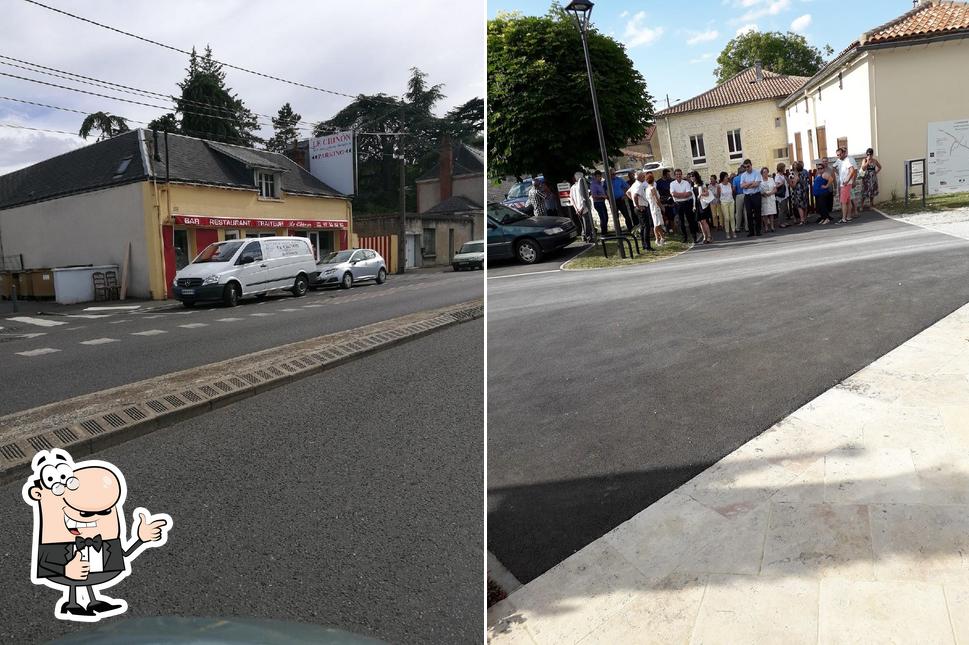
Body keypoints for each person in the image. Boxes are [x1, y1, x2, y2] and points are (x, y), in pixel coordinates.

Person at [670, 169, 698, 244]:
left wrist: (679, 194)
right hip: (678, 204)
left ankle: (694, 236)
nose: (678, 176)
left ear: (681, 175)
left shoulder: (686, 183)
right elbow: (673, 194)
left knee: (690, 220)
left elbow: (689, 194)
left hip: (687, 203)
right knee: (681, 222)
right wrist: (683, 194)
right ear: (675, 175)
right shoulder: (672, 184)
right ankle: (685, 237)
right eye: (677, 174)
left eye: (679, 174)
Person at [569, 172, 595, 242]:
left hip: (577, 208)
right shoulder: (581, 185)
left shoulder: (572, 187)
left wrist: (576, 209)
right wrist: (581, 208)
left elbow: (572, 199)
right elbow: (584, 197)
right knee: (587, 223)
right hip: (583, 208)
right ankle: (588, 237)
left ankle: (584, 236)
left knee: (582, 224)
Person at [739, 159, 762, 237]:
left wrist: (747, 185)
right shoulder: (743, 175)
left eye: (748, 166)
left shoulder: (757, 173)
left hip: (756, 195)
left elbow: (757, 184)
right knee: (748, 214)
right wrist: (751, 182)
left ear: (751, 165)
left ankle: (758, 230)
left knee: (757, 213)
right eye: (745, 167)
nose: (747, 168)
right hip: (748, 196)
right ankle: (751, 231)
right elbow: (742, 186)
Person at [834, 147, 857, 223]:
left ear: (844, 153)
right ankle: (848, 217)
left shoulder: (847, 160)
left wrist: (847, 180)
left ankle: (844, 218)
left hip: (845, 184)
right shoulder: (841, 161)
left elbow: (852, 170)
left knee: (843, 202)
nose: (839, 156)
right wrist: (840, 174)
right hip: (844, 184)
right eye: (837, 155)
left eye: (840, 154)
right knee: (848, 201)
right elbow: (834, 167)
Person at [644, 172, 666, 247]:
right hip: (655, 207)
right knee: (656, 224)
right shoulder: (652, 188)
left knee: (658, 223)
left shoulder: (647, 189)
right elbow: (657, 200)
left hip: (652, 206)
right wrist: (662, 207)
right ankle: (657, 239)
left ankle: (662, 238)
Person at [696, 173, 716, 244]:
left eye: (693, 176)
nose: (692, 178)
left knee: (704, 221)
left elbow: (707, 193)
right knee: (700, 222)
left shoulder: (702, 184)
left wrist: (700, 194)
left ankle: (709, 237)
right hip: (696, 205)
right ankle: (704, 237)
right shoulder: (692, 185)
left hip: (702, 204)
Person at [791, 160, 810, 225]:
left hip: (798, 191)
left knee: (800, 206)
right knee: (805, 205)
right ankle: (805, 218)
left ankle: (802, 220)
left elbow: (793, 186)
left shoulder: (797, 175)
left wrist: (789, 181)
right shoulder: (804, 173)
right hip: (804, 190)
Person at [590, 170, 609, 234]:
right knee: (603, 218)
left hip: (602, 202)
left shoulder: (600, 183)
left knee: (606, 217)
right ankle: (604, 233)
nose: (600, 178)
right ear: (595, 177)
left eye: (600, 176)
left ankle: (605, 232)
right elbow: (594, 196)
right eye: (598, 176)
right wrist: (602, 196)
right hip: (598, 203)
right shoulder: (593, 184)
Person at [719, 172, 736, 239]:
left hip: (731, 201)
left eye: (727, 176)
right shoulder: (719, 186)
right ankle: (727, 232)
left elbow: (732, 192)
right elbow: (718, 195)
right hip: (724, 202)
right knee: (726, 218)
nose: (727, 177)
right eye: (726, 176)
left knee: (732, 217)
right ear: (722, 178)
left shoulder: (729, 184)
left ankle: (733, 231)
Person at [759, 166, 777, 232]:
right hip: (764, 198)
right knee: (765, 213)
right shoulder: (760, 181)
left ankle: (772, 226)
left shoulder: (771, 179)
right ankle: (766, 227)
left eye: (766, 172)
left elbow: (775, 189)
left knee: (771, 213)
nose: (765, 173)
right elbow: (759, 190)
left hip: (771, 197)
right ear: (762, 173)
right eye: (764, 172)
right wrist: (763, 194)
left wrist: (771, 193)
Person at [774, 163, 790, 228]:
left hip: (785, 194)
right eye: (784, 167)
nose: (784, 168)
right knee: (782, 209)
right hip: (781, 195)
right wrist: (781, 183)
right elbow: (776, 185)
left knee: (785, 209)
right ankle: (781, 223)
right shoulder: (777, 176)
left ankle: (784, 221)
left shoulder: (782, 175)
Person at [732, 165, 746, 233]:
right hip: (746, 194)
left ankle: (737, 227)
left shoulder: (735, 178)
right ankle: (747, 227)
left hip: (738, 195)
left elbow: (734, 189)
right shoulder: (745, 177)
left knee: (738, 212)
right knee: (746, 212)